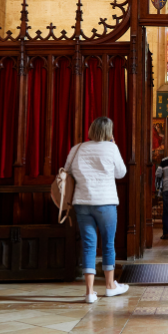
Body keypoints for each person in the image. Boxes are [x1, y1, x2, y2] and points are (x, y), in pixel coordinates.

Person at [66, 117, 129, 304]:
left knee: (88, 245)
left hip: (82, 202)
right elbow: (121, 173)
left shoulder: (77, 148)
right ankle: (110, 286)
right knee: (108, 244)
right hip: (105, 202)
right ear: (109, 131)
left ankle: (89, 292)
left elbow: (67, 171)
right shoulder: (112, 148)